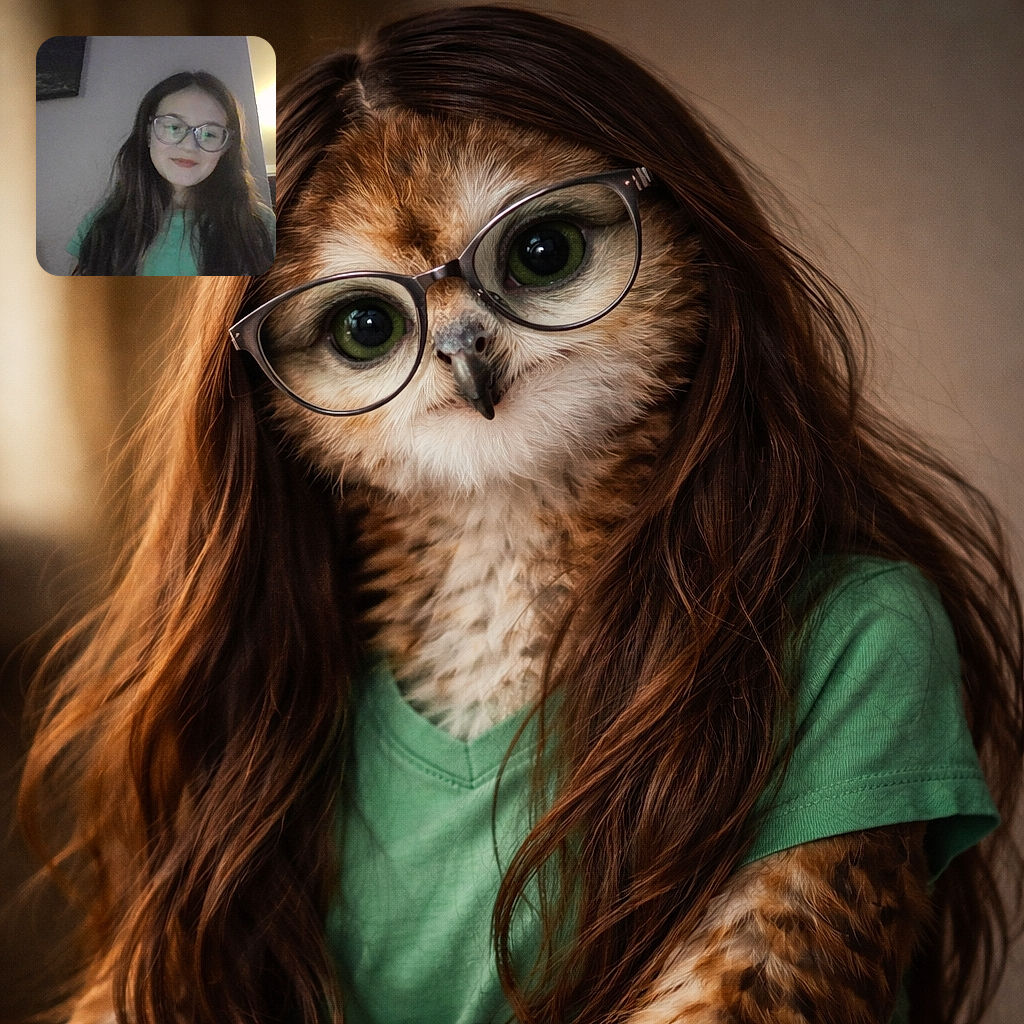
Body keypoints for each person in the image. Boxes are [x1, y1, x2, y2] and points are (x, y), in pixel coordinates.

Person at [20, 8, 1022, 1024]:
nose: (464, 346)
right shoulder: (270, 686)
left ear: (681, 233)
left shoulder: (845, 634)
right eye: (364, 326)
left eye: (540, 251)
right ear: (272, 388)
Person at [68, 70, 275, 276]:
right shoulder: (102, 222)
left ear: (226, 147)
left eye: (209, 133)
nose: (189, 146)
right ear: (148, 133)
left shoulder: (260, 225)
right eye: (174, 127)